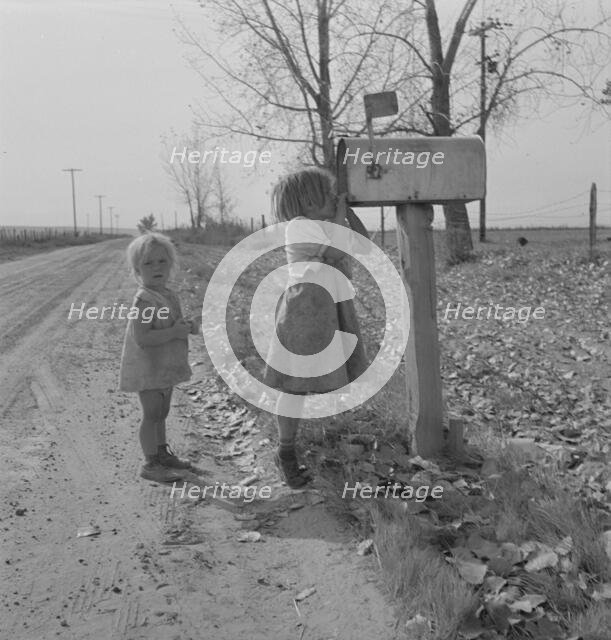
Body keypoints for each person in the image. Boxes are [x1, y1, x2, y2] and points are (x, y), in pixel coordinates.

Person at [263, 167, 370, 488]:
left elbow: (364, 243)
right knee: (294, 386)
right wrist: (339, 214)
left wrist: (346, 210)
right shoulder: (299, 227)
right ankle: (285, 452)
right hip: (304, 311)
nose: (331, 200)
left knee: (305, 386)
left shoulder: (325, 223)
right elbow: (339, 248)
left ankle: (293, 448)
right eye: (326, 196)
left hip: (328, 308)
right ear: (307, 203)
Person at [119, 232, 199, 482]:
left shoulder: (169, 295)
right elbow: (142, 338)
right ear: (137, 270)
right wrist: (174, 332)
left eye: (162, 262)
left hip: (164, 366)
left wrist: (187, 326)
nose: (157, 268)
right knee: (151, 414)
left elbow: (173, 323)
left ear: (171, 265)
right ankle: (150, 464)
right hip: (148, 367)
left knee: (162, 413)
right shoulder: (144, 301)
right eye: (148, 263)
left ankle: (162, 454)